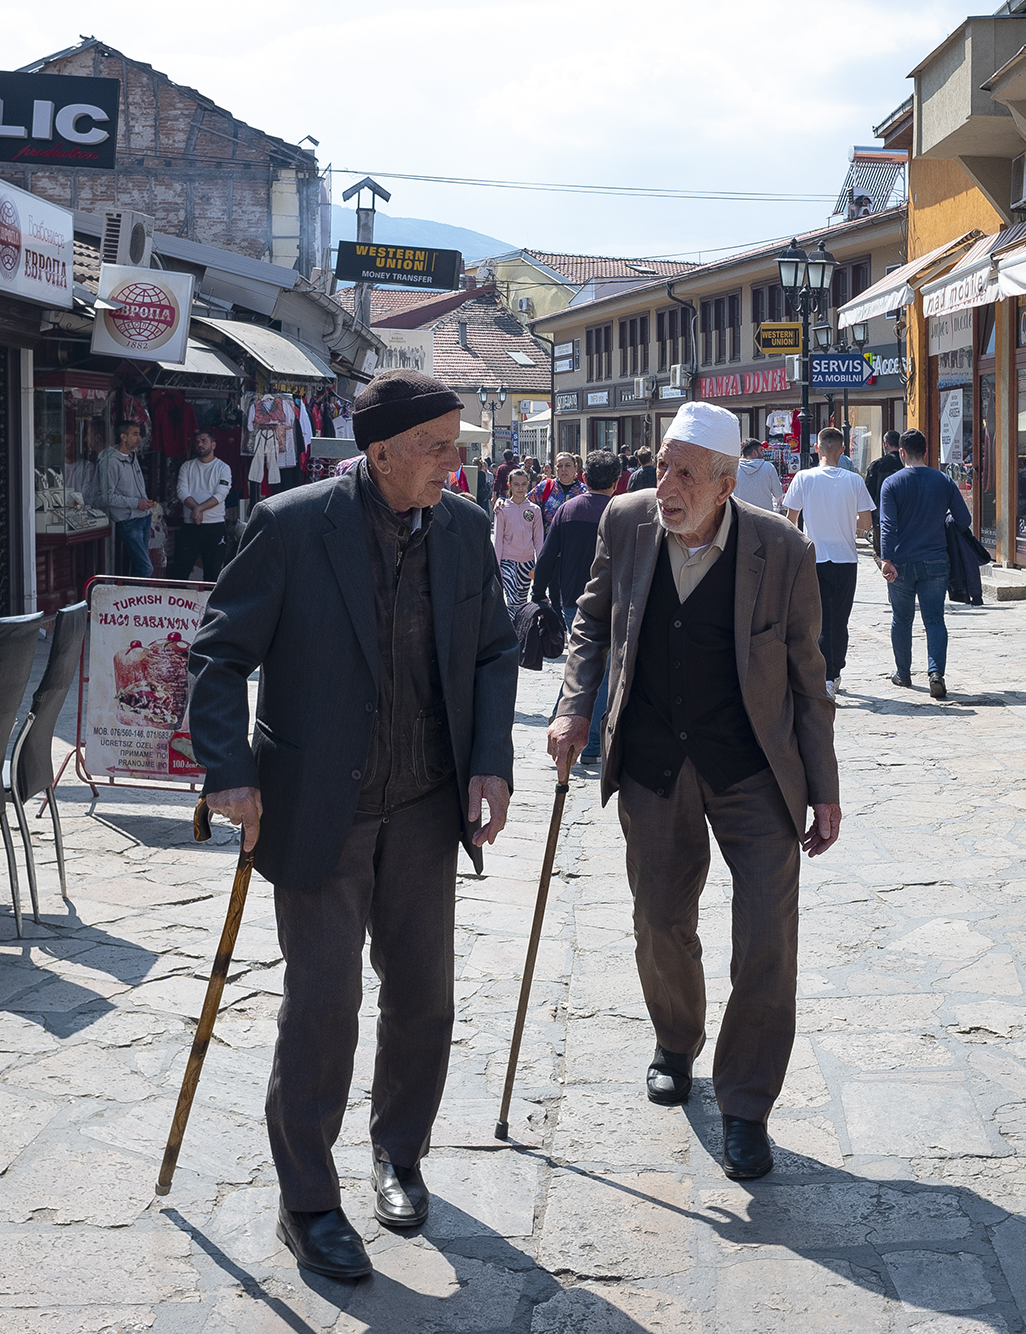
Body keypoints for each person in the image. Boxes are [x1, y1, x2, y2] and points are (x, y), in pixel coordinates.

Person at [188, 369, 518, 1282]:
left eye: (457, 445)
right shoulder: (294, 526)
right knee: (324, 1005)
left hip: (422, 802)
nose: (454, 463)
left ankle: (399, 1153)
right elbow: (216, 659)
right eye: (435, 447)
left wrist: (491, 760)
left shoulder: (464, 531)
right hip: (316, 805)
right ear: (379, 451)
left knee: (425, 996)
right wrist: (229, 773)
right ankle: (308, 1199)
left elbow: (494, 650)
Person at [546, 400, 839, 1183]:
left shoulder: (782, 549)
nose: (663, 483)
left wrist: (826, 787)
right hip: (653, 761)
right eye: (661, 465)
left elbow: (809, 678)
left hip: (753, 769)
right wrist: (574, 706)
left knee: (768, 943)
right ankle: (677, 1041)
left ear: (725, 481)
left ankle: (746, 1104)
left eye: (683, 471)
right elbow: (591, 620)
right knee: (660, 921)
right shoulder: (626, 522)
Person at [532, 448, 622, 760]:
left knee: (582, 659)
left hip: (571, 598)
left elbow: (546, 556)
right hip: (613, 599)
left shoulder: (567, 510)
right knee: (602, 667)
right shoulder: (620, 512)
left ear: (584, 476)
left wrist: (538, 594)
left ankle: (561, 720)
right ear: (616, 481)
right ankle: (593, 742)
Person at [783, 428, 873, 699]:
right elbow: (866, 523)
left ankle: (823, 674)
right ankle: (835, 672)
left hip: (814, 557)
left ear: (817, 448)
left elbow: (791, 521)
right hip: (846, 558)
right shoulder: (854, 480)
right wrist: (846, 522)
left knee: (817, 619)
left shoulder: (803, 478)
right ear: (842, 450)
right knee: (840, 620)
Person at [878, 429, 964, 700]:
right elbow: (963, 520)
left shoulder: (892, 484)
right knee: (935, 619)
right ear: (926, 451)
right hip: (936, 559)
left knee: (901, 619)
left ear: (901, 452)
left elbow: (888, 526)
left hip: (901, 562)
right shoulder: (944, 480)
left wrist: (886, 559)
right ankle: (936, 673)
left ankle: (903, 673)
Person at [171, 431, 233, 582]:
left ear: (213, 445)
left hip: (214, 526)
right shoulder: (187, 467)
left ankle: (208, 606)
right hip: (190, 526)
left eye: (204, 441)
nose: (199, 444)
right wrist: (196, 509)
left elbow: (221, 494)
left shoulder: (223, 468)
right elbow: (182, 491)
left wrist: (199, 509)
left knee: (212, 575)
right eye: (197, 441)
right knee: (180, 573)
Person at [98, 420, 154, 577]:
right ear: (123, 436)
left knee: (137, 567)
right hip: (129, 521)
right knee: (145, 568)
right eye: (135, 434)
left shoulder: (132, 456)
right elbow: (107, 497)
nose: (140, 438)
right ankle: (138, 600)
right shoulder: (110, 462)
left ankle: (137, 599)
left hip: (143, 517)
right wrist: (136, 503)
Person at [492, 469, 544, 609]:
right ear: (509, 485)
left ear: (528, 484)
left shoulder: (535, 510)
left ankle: (521, 629)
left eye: (523, 484)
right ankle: (513, 630)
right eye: (516, 484)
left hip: (527, 563)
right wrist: (497, 567)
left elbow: (538, 539)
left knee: (522, 601)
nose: (520, 488)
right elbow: (497, 539)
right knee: (512, 600)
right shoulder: (502, 509)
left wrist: (540, 564)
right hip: (508, 561)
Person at [865, 430, 905, 560]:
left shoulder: (877, 465)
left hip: (881, 517)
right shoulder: (905, 464)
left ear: (885, 444)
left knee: (880, 552)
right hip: (905, 516)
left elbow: (868, 493)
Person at [733, 439, 783, 513]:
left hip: (741, 515)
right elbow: (778, 493)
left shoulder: (735, 468)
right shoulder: (768, 467)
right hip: (765, 515)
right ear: (754, 452)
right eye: (761, 450)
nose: (763, 453)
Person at [533, 452, 584, 524]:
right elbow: (527, 505)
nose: (563, 469)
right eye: (559, 466)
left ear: (575, 468)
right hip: (549, 534)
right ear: (555, 469)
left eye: (568, 465)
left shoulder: (584, 491)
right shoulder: (545, 486)